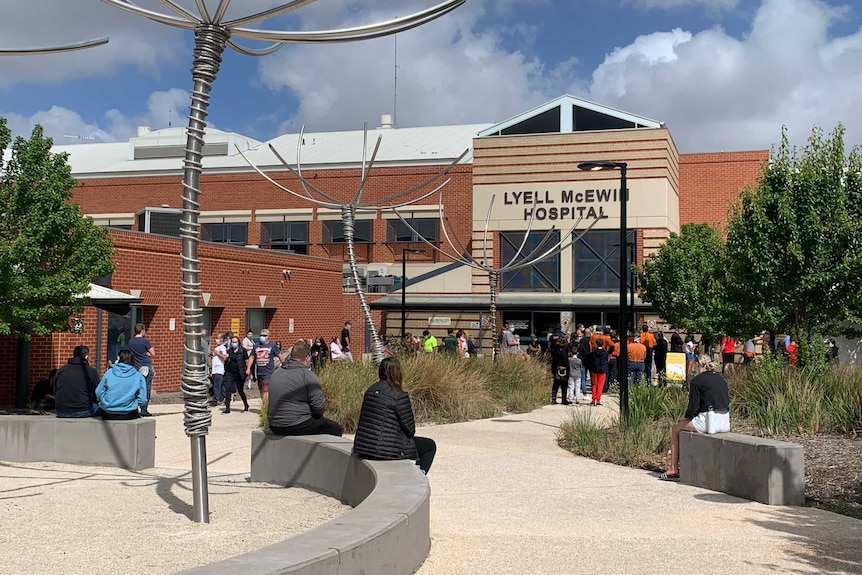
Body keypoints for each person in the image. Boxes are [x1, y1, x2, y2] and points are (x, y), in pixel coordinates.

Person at [353, 357, 436, 474]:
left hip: (364, 447)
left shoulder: (370, 391)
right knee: (429, 446)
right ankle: (418, 477)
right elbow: (410, 430)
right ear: (398, 372)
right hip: (386, 450)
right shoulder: (399, 395)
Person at [660, 356, 730, 481]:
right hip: (724, 421)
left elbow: (693, 408)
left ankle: (673, 469)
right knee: (684, 425)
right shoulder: (721, 379)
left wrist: (684, 418)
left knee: (675, 430)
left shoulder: (697, 381)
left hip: (708, 422)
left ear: (697, 364)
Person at [267, 339, 343, 437]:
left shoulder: (276, 373)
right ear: (307, 357)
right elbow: (319, 408)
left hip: (274, 424)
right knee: (335, 428)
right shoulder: (308, 376)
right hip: (294, 424)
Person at [96, 349, 147, 420]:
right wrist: (134, 403)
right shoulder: (138, 376)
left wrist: (104, 400)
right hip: (129, 412)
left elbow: (98, 392)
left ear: (119, 358)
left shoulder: (109, 373)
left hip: (108, 411)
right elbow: (143, 399)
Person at [54, 345, 101, 418]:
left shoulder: (61, 370)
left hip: (61, 411)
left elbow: (55, 390)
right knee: (104, 409)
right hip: (83, 410)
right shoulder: (91, 371)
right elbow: (97, 393)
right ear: (86, 356)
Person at [248, 328, 283, 406]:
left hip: (268, 372)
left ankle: (265, 408)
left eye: (264, 335)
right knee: (261, 390)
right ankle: (265, 404)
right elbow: (252, 357)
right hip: (259, 372)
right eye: (261, 335)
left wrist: (284, 366)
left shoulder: (272, 346)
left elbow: (280, 356)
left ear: (268, 337)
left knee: (265, 390)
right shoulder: (256, 346)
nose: (262, 337)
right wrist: (248, 368)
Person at [128, 322, 155, 417]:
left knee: (136, 387)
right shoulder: (145, 341)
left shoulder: (131, 341)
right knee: (146, 387)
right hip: (146, 366)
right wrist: (147, 353)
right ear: (142, 331)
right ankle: (144, 409)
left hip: (136, 366)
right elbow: (153, 353)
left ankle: (134, 407)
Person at [223, 335, 250, 413]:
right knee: (228, 389)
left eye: (235, 342)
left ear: (238, 342)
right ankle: (227, 408)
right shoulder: (229, 350)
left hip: (240, 372)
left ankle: (246, 405)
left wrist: (248, 369)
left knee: (240, 390)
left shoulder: (242, 351)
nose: (234, 343)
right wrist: (226, 358)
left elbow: (246, 361)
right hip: (230, 372)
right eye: (233, 342)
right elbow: (226, 360)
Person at [548, 325, 570, 405]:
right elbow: (565, 359)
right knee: (564, 384)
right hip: (562, 367)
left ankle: (553, 399)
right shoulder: (563, 348)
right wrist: (567, 366)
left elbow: (549, 347)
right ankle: (564, 400)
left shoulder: (552, 338)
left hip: (555, 365)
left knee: (555, 383)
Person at [589, 338, 609, 406]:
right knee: (600, 385)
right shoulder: (605, 352)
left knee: (594, 385)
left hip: (595, 369)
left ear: (596, 344)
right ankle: (598, 400)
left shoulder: (593, 352)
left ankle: (593, 399)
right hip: (603, 370)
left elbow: (591, 360)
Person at [210, 334, 227, 407]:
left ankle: (215, 400)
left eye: (218, 338)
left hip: (219, 370)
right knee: (221, 385)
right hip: (214, 370)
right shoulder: (217, 347)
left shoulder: (222, 348)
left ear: (222, 339)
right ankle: (224, 397)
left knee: (216, 386)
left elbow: (224, 357)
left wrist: (217, 353)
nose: (217, 340)